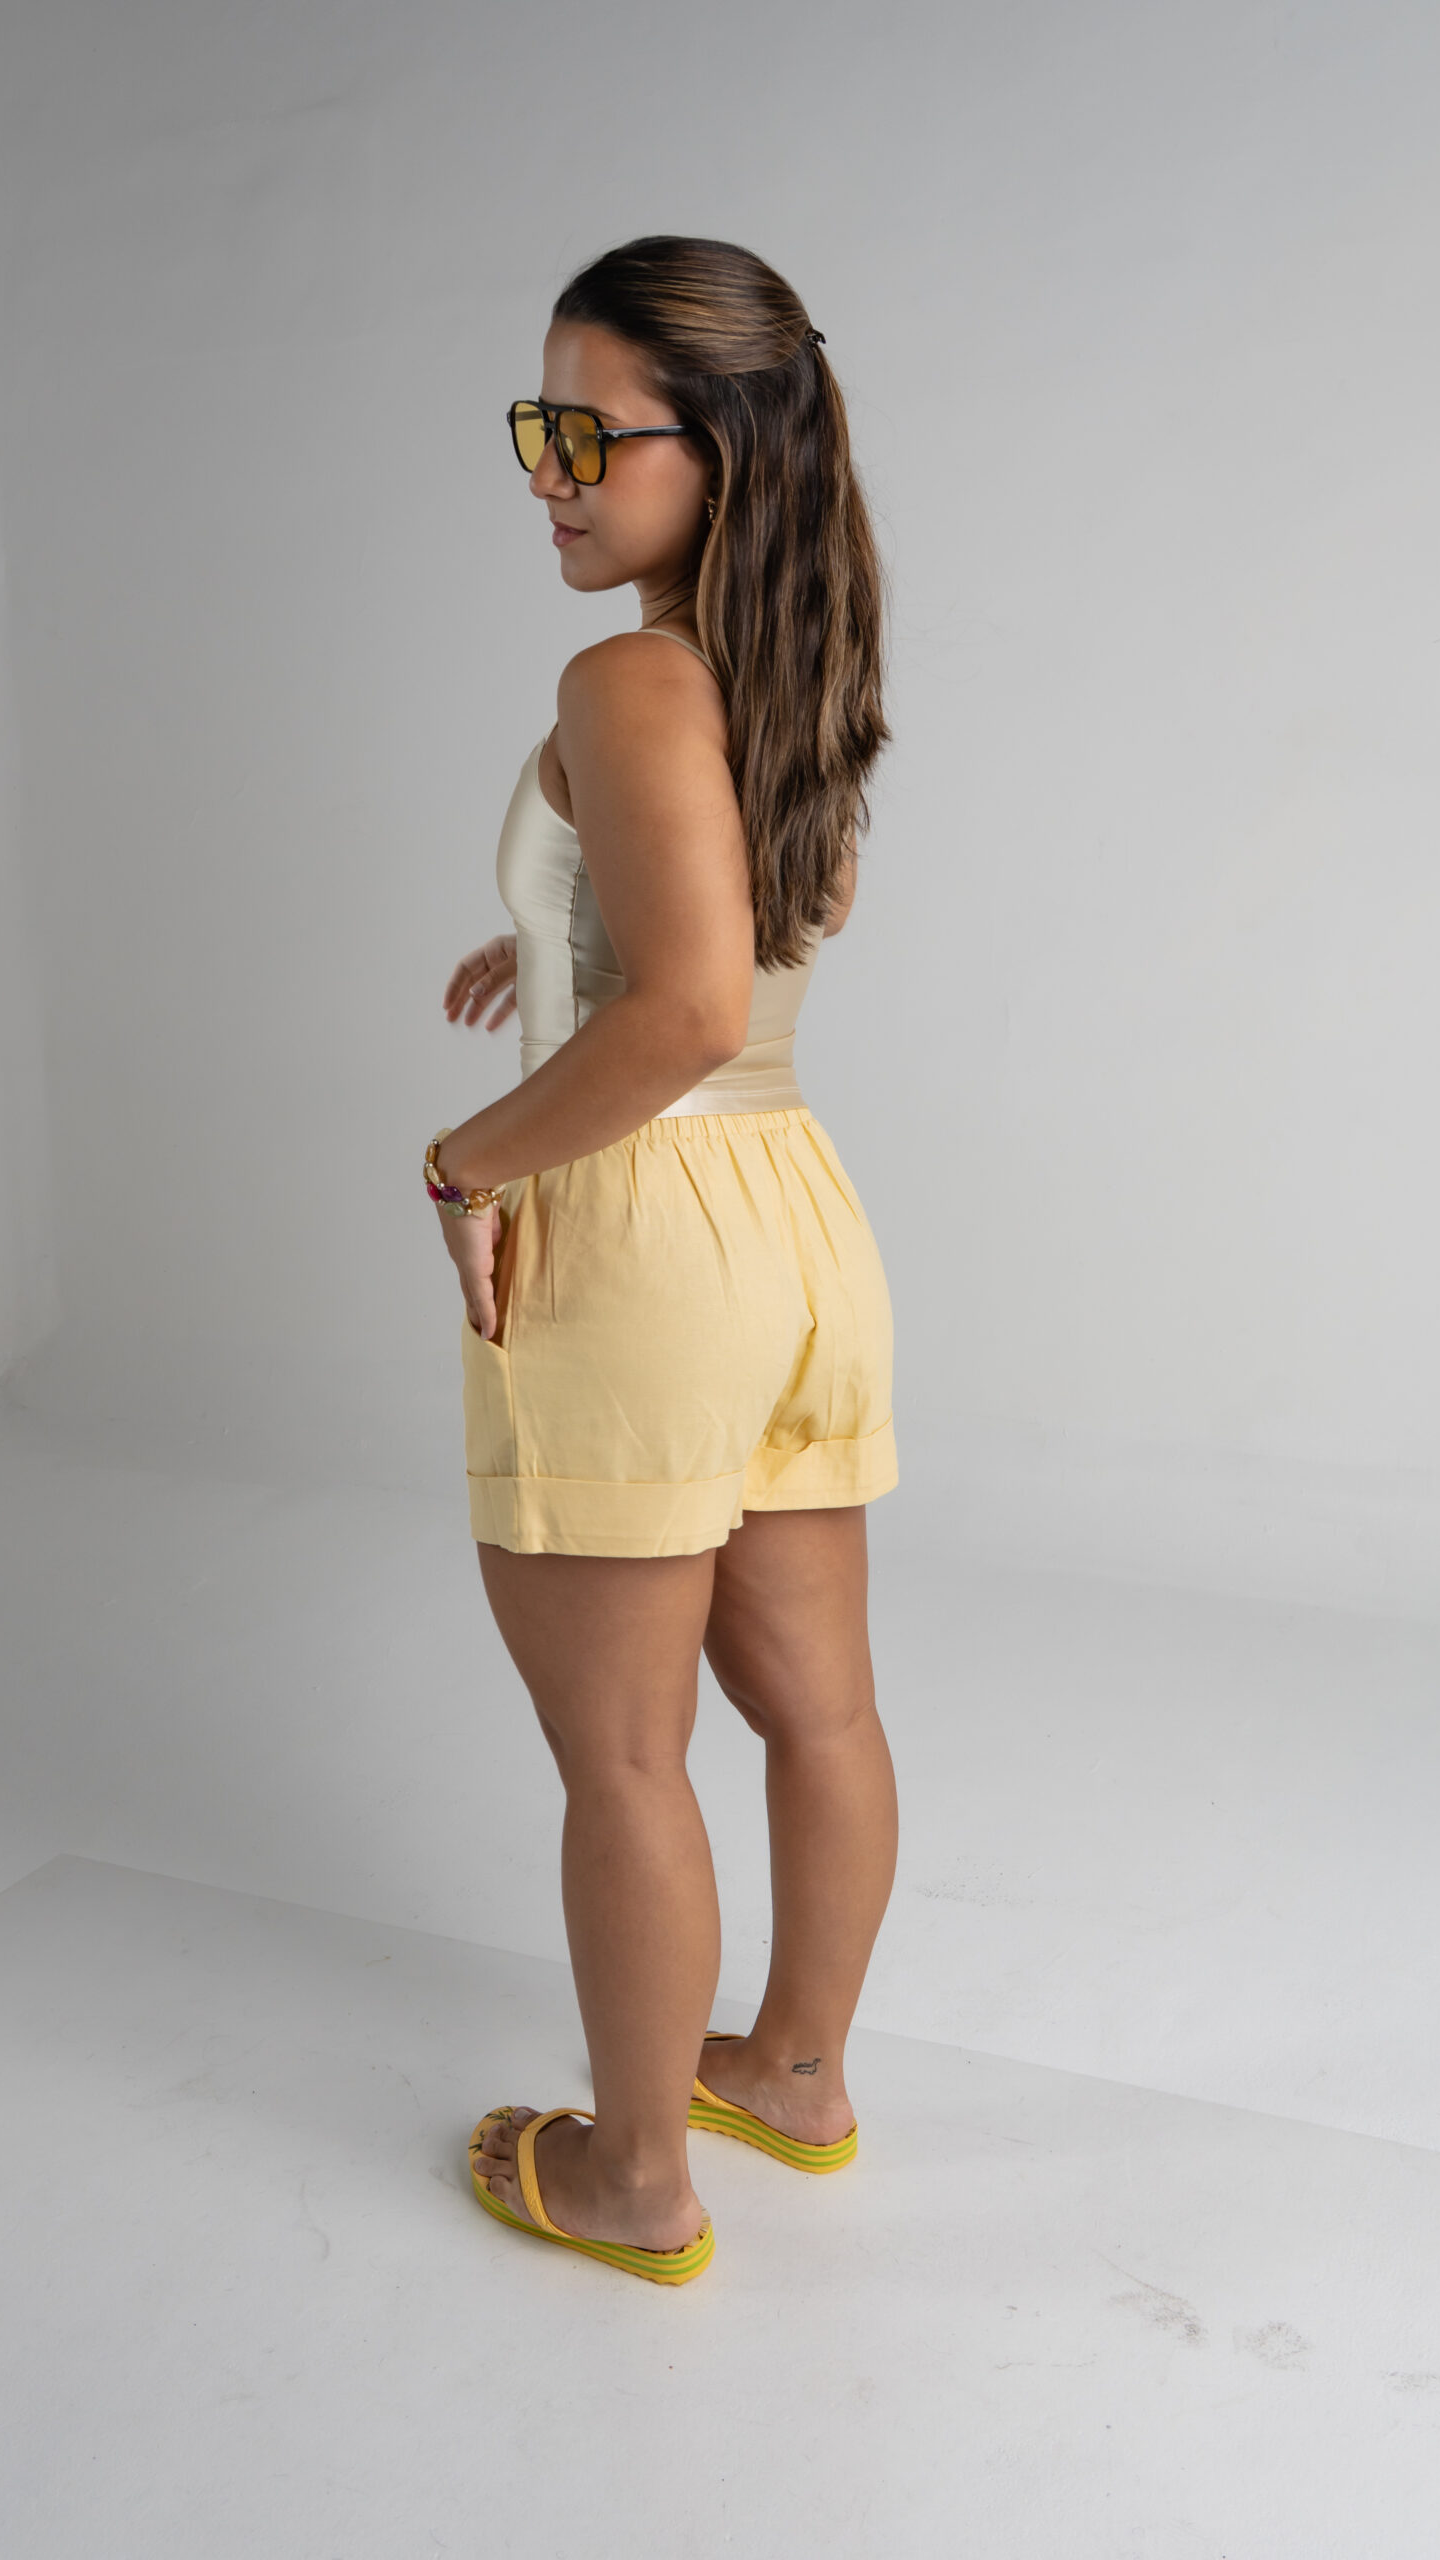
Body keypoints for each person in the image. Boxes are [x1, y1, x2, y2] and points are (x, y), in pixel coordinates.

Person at [425, 235, 899, 2285]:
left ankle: (632, 2178)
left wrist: (465, 1159)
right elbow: (744, 942)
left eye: (584, 432)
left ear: (716, 448)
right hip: (799, 1226)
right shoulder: (795, 665)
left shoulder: (624, 679)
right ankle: (792, 2071)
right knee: (820, 1710)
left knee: (622, 1750)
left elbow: (686, 1007)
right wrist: (543, 945)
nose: (546, 472)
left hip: (638, 1240)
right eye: (535, 428)